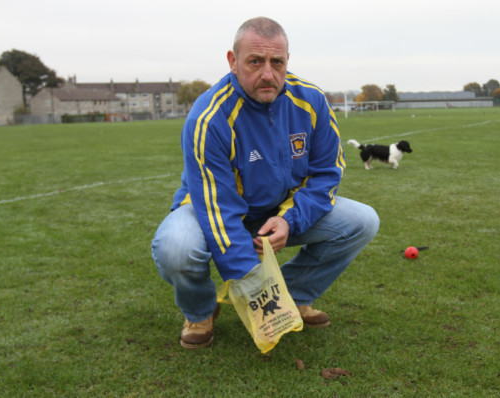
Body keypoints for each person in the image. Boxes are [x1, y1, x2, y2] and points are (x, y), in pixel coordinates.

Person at [151, 17, 380, 349]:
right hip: (210, 210)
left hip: (277, 212)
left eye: (277, 62)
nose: (268, 74)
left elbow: (326, 174)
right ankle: (200, 311)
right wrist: (256, 291)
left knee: (363, 221)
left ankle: (294, 297)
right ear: (233, 61)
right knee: (176, 248)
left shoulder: (312, 101)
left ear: (288, 60)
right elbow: (218, 209)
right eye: (255, 62)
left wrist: (289, 220)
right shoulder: (208, 117)